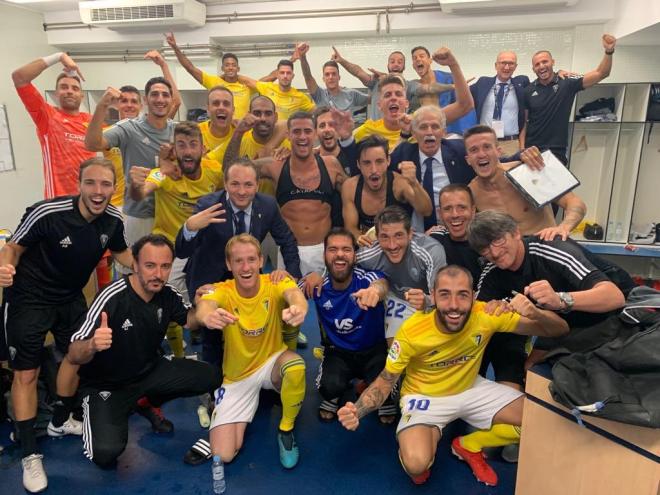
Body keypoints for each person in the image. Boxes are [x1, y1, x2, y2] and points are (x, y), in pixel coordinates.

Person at [337, 264, 569, 487]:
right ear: (434, 296)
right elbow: (386, 381)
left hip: (471, 388)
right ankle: (421, 449)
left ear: (474, 296)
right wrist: (357, 410)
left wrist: (536, 313)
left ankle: (470, 444)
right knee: (416, 465)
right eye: (445, 295)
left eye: (463, 295)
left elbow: (560, 330)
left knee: (543, 419)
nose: (454, 305)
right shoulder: (412, 331)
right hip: (424, 398)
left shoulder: (486, 314)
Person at [0, 158, 132, 493]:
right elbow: (13, 246)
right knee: (26, 374)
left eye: (106, 184)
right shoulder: (48, 212)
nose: (98, 192)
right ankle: (30, 452)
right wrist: (5, 266)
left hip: (70, 298)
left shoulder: (113, 220)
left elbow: (123, 255)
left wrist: (158, 269)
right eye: (91, 183)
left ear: (113, 187)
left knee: (78, 356)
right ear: (79, 183)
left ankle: (59, 421)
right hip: (28, 298)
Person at [67, 234, 221, 467]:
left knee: (211, 376)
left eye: (165, 266)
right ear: (135, 265)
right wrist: (91, 345)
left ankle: (144, 402)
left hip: (148, 371)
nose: (158, 274)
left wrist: (202, 304)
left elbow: (190, 321)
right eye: (150, 266)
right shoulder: (111, 297)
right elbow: (73, 353)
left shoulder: (167, 294)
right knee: (105, 453)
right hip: (107, 385)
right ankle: (120, 407)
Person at [468, 210, 626, 384]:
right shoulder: (491, 272)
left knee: (574, 375)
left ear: (516, 233)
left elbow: (614, 297)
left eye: (498, 240)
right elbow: (477, 317)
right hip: (559, 324)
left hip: (607, 316)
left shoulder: (551, 249)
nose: (494, 252)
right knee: (532, 373)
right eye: (485, 249)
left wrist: (560, 300)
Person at [197, 234, 308, 468]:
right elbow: (205, 304)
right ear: (229, 265)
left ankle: (286, 430)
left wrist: (298, 307)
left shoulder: (275, 282)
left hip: (271, 363)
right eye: (238, 261)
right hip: (238, 376)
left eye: (251, 260)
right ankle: (225, 407)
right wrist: (207, 316)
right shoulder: (222, 290)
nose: (246, 267)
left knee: (295, 366)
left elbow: (295, 294)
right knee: (224, 454)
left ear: (260, 260)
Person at [175, 158, 301, 363]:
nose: (241, 191)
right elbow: (182, 251)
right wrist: (190, 227)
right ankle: (213, 385)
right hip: (209, 278)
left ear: (257, 185)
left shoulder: (267, 205)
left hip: (247, 276)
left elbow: (287, 240)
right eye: (235, 184)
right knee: (213, 335)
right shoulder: (208, 205)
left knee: (251, 331)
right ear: (225, 184)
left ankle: (251, 374)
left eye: (248, 184)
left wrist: (292, 275)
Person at [129, 121, 224, 357]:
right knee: (170, 297)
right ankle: (179, 356)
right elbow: (141, 193)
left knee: (214, 292)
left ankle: (206, 332)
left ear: (203, 148)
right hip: (171, 247)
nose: (188, 151)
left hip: (204, 246)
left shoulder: (214, 171)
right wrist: (135, 184)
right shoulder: (163, 173)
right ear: (175, 149)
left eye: (193, 145)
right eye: (181, 145)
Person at [312, 228, 395, 423]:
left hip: (374, 351)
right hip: (338, 351)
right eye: (333, 249)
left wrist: (375, 292)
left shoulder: (367, 278)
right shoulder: (317, 284)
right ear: (324, 255)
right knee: (329, 387)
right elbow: (291, 291)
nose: (339, 254)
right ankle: (337, 391)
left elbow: (381, 283)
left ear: (355, 256)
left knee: (389, 385)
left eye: (346, 249)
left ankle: (375, 390)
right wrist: (286, 282)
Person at [85, 78, 177, 248]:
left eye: (165, 95)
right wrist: (102, 106)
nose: (160, 99)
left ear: (172, 100)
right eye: (155, 94)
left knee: (166, 270)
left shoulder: (177, 130)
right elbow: (91, 144)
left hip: (169, 214)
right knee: (133, 268)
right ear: (146, 100)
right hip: (139, 215)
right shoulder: (129, 128)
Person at [464, 125, 586, 239]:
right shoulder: (471, 193)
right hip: (507, 256)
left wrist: (563, 228)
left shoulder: (527, 171)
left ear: (499, 151)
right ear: (468, 159)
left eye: (487, 147)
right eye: (474, 150)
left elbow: (576, 203)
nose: (481, 154)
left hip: (545, 244)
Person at [349, 47, 473, 152]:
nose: (393, 98)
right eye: (387, 95)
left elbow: (465, 105)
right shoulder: (367, 130)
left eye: (398, 94)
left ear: (406, 103)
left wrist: (453, 65)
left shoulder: (419, 122)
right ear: (379, 104)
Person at [354, 206, 446, 342]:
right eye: (384, 237)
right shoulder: (369, 254)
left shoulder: (431, 251)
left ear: (410, 234)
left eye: (398, 235)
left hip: (428, 299)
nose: (392, 245)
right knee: (396, 350)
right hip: (396, 298)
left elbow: (441, 296)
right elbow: (339, 263)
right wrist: (316, 275)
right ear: (377, 238)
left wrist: (426, 301)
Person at [521, 34, 617, 164]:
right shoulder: (528, 90)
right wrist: (522, 149)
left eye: (545, 62)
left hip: (557, 150)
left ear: (552, 62)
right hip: (532, 150)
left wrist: (609, 51)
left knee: (556, 184)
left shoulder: (567, 83)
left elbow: (601, 73)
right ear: (533, 69)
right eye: (537, 64)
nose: (541, 66)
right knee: (532, 184)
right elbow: (524, 124)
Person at [12, 51, 95, 198]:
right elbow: (19, 78)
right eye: (64, 87)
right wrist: (58, 57)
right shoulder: (47, 116)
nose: (69, 91)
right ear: (56, 93)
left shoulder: (91, 121)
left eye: (75, 88)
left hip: (89, 201)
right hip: (58, 203)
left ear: (81, 96)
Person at [387, 105, 476, 231]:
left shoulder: (459, 150)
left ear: (443, 132)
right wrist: (404, 135)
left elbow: (487, 160)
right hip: (418, 234)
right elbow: (382, 163)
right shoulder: (404, 153)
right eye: (423, 127)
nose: (429, 132)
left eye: (435, 126)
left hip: (457, 228)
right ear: (414, 133)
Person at [341, 135, 432, 239]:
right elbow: (350, 227)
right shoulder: (350, 187)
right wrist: (359, 238)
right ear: (358, 164)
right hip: (369, 248)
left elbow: (426, 211)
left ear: (388, 161)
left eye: (379, 161)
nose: (374, 169)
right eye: (367, 163)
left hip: (400, 244)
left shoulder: (399, 184)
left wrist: (414, 183)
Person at [166, 32, 254, 120]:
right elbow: (190, 68)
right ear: (222, 68)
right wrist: (175, 47)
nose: (230, 68)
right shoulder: (214, 82)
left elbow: (266, 81)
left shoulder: (247, 85)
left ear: (238, 68)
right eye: (227, 65)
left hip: (243, 131)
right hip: (221, 130)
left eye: (233, 65)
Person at [470, 51, 530, 155]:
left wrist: (558, 73)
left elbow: (541, 82)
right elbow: (463, 96)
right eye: (503, 63)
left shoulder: (521, 85)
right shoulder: (483, 83)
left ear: (515, 66)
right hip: (484, 143)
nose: (507, 67)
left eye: (511, 63)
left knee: (510, 171)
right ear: (496, 65)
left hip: (511, 144)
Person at [427, 184, 481, 287]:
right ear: (440, 214)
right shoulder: (433, 241)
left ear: (473, 211)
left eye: (462, 207)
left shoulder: (489, 243)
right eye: (447, 209)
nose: (455, 214)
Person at [296, 43, 369, 120]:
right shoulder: (319, 95)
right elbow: (308, 77)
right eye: (327, 74)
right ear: (323, 79)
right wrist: (303, 57)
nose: (331, 77)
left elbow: (374, 98)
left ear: (339, 77)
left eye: (334, 74)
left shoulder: (352, 94)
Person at [239, 59, 315, 121]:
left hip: (287, 138)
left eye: (288, 73)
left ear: (292, 76)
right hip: (267, 135)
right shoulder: (267, 87)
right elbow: (247, 81)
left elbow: (316, 112)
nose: (285, 76)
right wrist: (230, 73)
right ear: (277, 75)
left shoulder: (300, 97)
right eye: (282, 73)